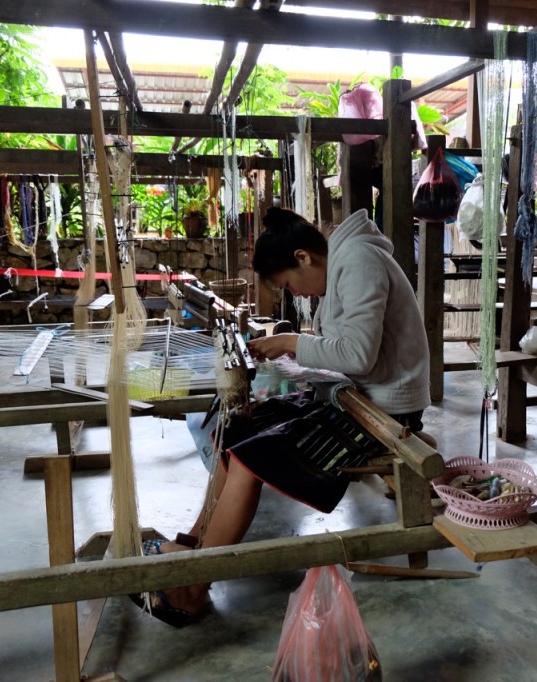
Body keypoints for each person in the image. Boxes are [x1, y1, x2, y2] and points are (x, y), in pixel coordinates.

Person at [133, 206, 431, 627]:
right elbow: (347, 348)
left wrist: (293, 342)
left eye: (289, 283)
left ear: (304, 257)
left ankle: (192, 587)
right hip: (353, 397)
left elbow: (359, 355)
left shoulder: (360, 261)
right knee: (238, 428)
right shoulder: (345, 263)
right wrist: (293, 350)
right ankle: (193, 545)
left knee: (253, 458)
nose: (302, 294)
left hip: (383, 410)